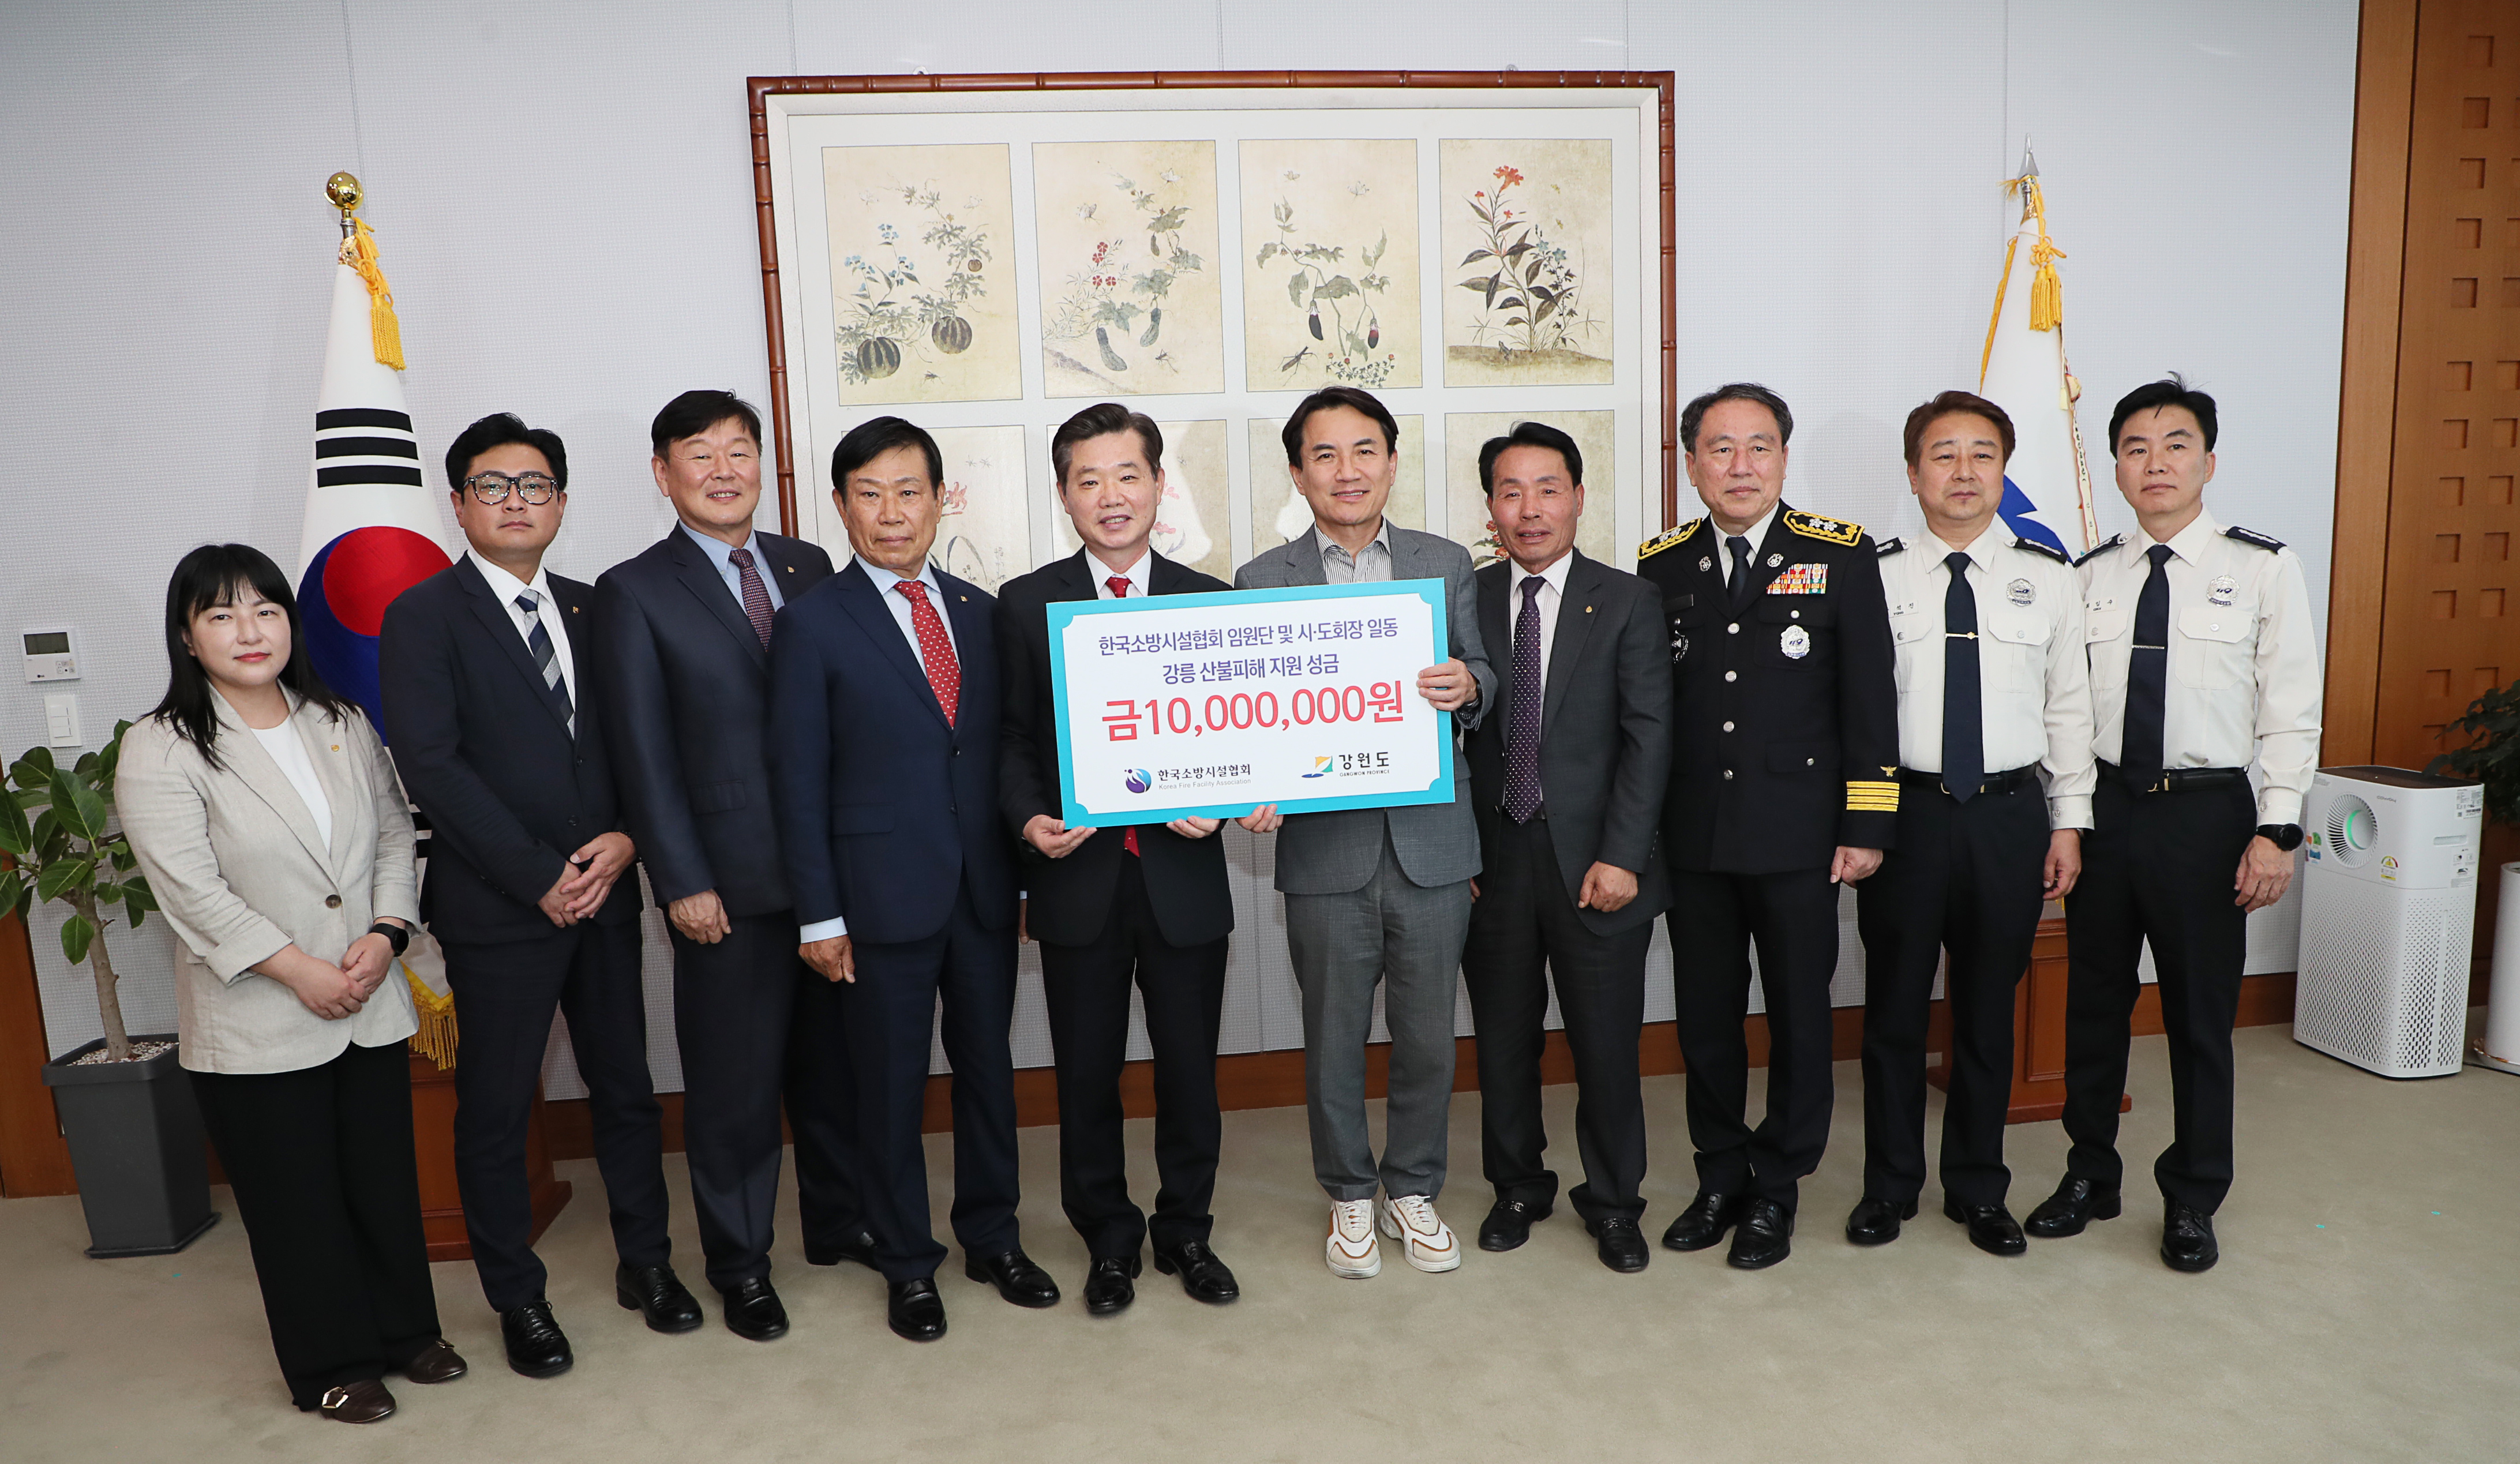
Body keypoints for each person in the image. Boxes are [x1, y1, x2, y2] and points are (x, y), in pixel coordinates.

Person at [115, 544, 464, 1424]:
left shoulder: (339, 717)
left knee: (380, 1181)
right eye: (222, 613)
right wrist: (297, 967)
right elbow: (190, 889)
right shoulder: (161, 746)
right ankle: (332, 1365)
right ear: (187, 636)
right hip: (260, 1010)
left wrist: (387, 932)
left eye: (265, 609)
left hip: (367, 991)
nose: (249, 630)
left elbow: (394, 832)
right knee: (296, 1201)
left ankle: (405, 1331)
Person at [380, 413, 690, 1376]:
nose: (516, 501)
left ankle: (647, 1261)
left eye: (536, 485)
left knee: (627, 1089)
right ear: (458, 501)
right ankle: (518, 1295)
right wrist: (539, 875)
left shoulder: (599, 607)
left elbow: (644, 739)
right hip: (500, 907)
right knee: (498, 1106)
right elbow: (433, 765)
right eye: (494, 484)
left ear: (561, 500)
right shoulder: (422, 615)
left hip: (607, 892)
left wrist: (629, 837)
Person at [2027, 377, 2321, 1272]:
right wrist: (2070, 816)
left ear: (2209, 462)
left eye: (2176, 444)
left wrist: (2278, 828)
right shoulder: (2087, 576)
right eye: (2136, 448)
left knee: (2198, 1016)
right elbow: (2067, 712)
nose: (2156, 463)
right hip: (2109, 810)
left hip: (2207, 815)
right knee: (2094, 1007)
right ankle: (2090, 1172)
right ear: (2117, 468)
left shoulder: (2262, 567)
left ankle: (2194, 1194)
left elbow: (2291, 709)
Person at [769, 414, 1050, 1343]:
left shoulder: (980, 610)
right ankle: (906, 1261)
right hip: (874, 896)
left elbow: (998, 754)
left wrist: (1020, 880)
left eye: (908, 491)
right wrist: (819, 915)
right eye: (870, 494)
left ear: (939, 499)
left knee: (988, 1074)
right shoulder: (811, 622)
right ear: (842, 506)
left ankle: (993, 1237)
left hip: (982, 889)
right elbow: (798, 779)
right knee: (888, 1088)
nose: (892, 513)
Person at [592, 390, 865, 1342]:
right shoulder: (634, 589)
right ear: (663, 473)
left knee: (833, 1072)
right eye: (700, 453)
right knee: (735, 1090)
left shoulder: (808, 564)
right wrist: (681, 879)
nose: (723, 469)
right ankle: (741, 1262)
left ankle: (838, 1220)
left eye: (740, 449)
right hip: (724, 883)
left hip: (828, 875)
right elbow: (641, 752)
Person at [1233, 386, 1494, 1281]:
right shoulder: (1261, 580)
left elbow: (1482, 669)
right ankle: (1349, 1190)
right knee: (1334, 1037)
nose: (1347, 471)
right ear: (1298, 471)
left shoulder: (1443, 561)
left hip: (1432, 844)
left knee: (1427, 1038)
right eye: (1325, 454)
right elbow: (1250, 715)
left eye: (1364, 451)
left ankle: (1412, 1186)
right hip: (1324, 851)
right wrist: (1252, 783)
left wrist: (1470, 684)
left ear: (1390, 460)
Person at [1637, 381, 1899, 1270]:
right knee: (1707, 1021)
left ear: (1784, 458)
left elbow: (1870, 700)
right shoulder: (1662, 566)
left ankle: (1777, 1185)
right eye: (1721, 448)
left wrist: (1868, 824)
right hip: (1697, 839)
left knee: (1798, 1018)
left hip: (1800, 839)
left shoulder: (1839, 554)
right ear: (1693, 465)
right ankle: (1720, 1174)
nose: (1741, 465)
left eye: (1759, 446)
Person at [995, 403, 1248, 1315]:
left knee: (1190, 1074)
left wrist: (1231, 798)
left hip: (1183, 880)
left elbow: (1239, 733)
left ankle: (1187, 1230)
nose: (1111, 495)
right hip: (1078, 880)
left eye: (1128, 474)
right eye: (1089, 478)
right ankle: (1108, 1239)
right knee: (1085, 1075)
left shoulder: (1209, 598)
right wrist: (1029, 820)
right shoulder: (1027, 602)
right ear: (1065, 494)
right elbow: (1012, 738)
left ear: (1158, 485)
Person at [1849, 392, 2094, 1257]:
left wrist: (2068, 823)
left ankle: (1978, 1187)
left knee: (1989, 1012)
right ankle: (1890, 1186)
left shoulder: (2051, 577)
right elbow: (1855, 716)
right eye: (1944, 454)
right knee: (1894, 1012)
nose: (1964, 471)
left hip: (2009, 815)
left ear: (2004, 470)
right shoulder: (1873, 576)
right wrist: (1862, 822)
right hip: (1904, 813)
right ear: (1913, 473)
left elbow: (2070, 710)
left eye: (1982, 454)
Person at [1459, 422, 1672, 1273]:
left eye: (1548, 490)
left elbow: (1650, 737)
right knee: (1503, 1041)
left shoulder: (1627, 600)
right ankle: (1518, 1186)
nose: (1530, 509)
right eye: (1511, 492)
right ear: (1490, 507)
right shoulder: (1464, 598)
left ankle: (1614, 1202)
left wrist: (1624, 855)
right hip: (1493, 860)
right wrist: (1456, 854)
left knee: (1606, 1047)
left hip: (1597, 863)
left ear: (1579, 498)